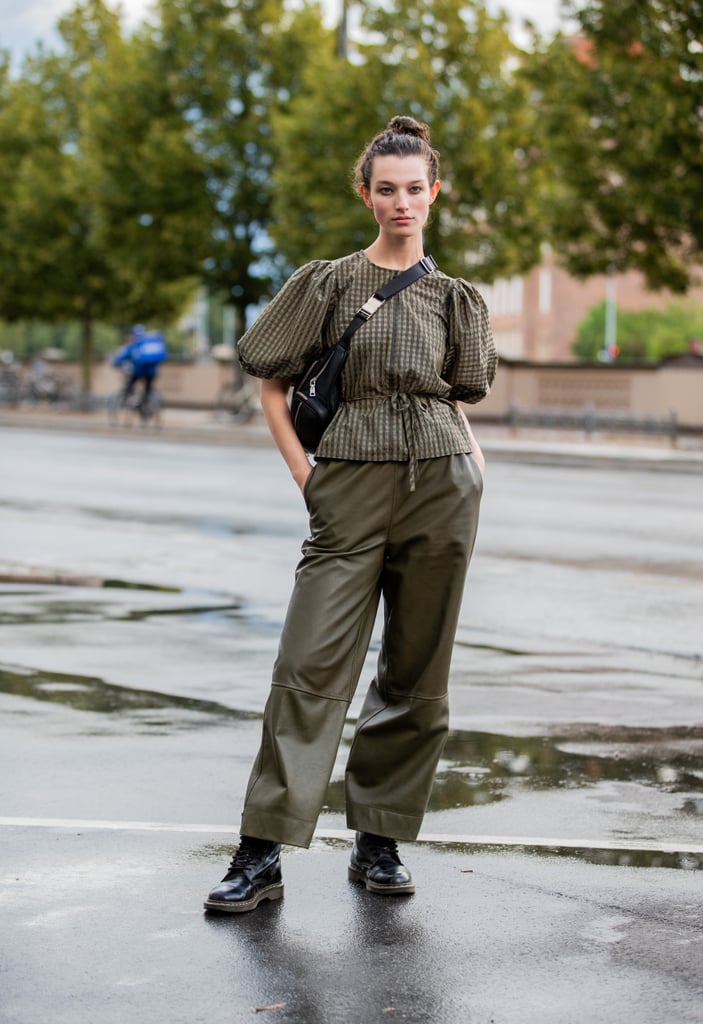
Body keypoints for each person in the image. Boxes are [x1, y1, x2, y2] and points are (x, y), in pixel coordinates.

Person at [204, 115, 497, 914]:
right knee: (308, 668)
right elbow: (268, 378)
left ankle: (380, 840)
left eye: (415, 189)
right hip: (347, 484)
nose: (400, 202)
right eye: (386, 189)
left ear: (433, 194)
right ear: (365, 194)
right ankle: (260, 852)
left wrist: (472, 465)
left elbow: (456, 392)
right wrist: (307, 478)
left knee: (416, 672)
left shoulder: (454, 298)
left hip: (441, 484)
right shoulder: (327, 283)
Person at [112, 325, 167, 417]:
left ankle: (132, 399)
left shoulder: (134, 344)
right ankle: (147, 406)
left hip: (138, 371)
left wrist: (116, 363)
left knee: (130, 384)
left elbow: (123, 357)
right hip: (152, 372)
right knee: (147, 389)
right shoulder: (148, 343)